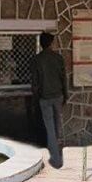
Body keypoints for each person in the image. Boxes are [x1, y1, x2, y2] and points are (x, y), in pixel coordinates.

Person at [31, 32, 67, 169]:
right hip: (58, 95)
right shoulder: (58, 58)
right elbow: (63, 78)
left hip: (44, 97)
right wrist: (65, 94)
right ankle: (59, 151)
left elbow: (35, 82)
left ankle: (55, 158)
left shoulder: (36, 60)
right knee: (58, 124)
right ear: (51, 43)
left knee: (50, 127)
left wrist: (35, 98)